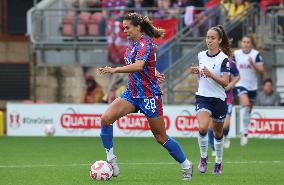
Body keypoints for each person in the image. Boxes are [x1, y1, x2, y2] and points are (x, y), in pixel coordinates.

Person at [97, 13, 193, 180]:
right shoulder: (132, 43)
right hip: (132, 93)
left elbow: (140, 65)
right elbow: (145, 64)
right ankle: (111, 160)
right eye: (123, 28)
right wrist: (154, 71)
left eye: (127, 27)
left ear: (138, 27)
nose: (124, 31)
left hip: (148, 95)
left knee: (160, 137)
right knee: (105, 119)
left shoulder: (144, 43)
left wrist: (114, 70)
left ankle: (186, 164)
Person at [190, 25, 231, 175]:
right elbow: (201, 77)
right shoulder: (201, 55)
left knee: (218, 134)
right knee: (202, 128)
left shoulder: (224, 59)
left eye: (213, 38)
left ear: (219, 40)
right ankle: (203, 158)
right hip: (203, 97)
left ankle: (218, 162)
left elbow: (226, 82)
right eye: (207, 37)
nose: (209, 40)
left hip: (219, 99)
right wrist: (196, 72)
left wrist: (211, 74)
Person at [234, 35, 264, 146]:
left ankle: (244, 131)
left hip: (252, 86)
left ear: (251, 44)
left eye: (248, 42)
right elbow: (231, 66)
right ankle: (244, 133)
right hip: (240, 84)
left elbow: (261, 70)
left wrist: (253, 65)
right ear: (241, 43)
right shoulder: (236, 54)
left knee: (248, 110)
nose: (246, 44)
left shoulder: (255, 55)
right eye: (244, 42)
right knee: (246, 105)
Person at [208, 57, 240, 156]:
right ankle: (214, 148)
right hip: (213, 96)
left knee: (224, 125)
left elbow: (237, 76)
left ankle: (225, 135)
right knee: (211, 125)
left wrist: (230, 85)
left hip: (227, 98)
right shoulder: (208, 61)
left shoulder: (230, 62)